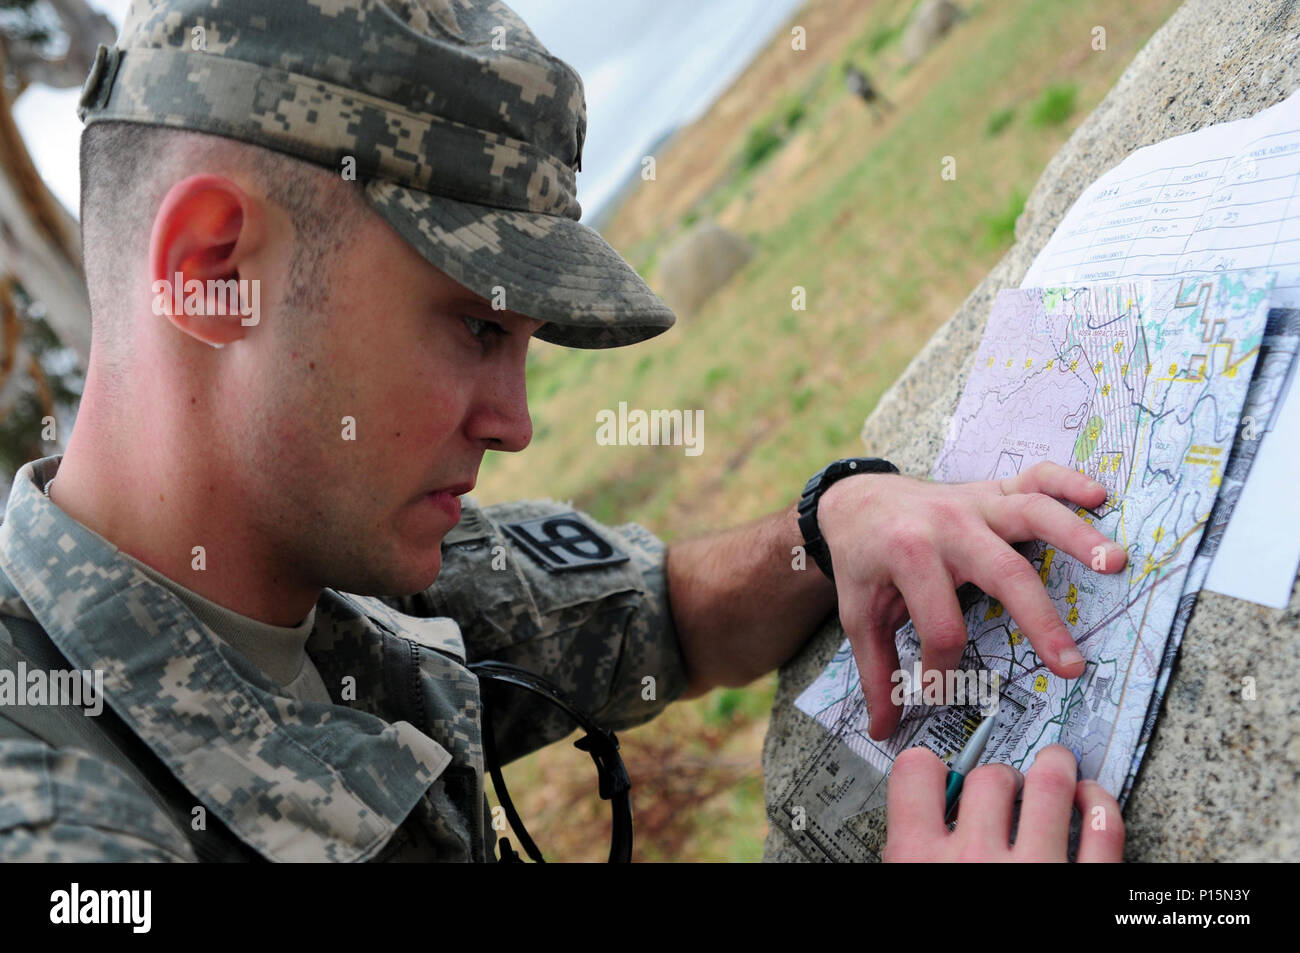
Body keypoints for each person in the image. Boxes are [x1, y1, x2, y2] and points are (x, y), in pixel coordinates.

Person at [0, 0, 1127, 862]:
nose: (518, 422)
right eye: (476, 327)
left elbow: (660, 612)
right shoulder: (54, 820)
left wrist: (829, 525)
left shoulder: (330, 559)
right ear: (212, 277)